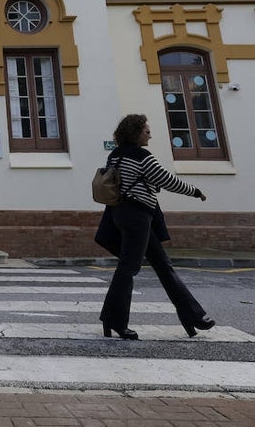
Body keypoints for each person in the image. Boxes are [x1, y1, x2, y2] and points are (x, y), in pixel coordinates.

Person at [95, 113, 215, 340]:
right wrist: (195, 191)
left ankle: (192, 316)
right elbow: (167, 180)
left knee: (163, 266)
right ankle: (115, 320)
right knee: (129, 268)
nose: (150, 134)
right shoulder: (142, 156)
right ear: (136, 133)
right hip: (138, 216)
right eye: (146, 130)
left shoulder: (115, 155)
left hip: (120, 214)